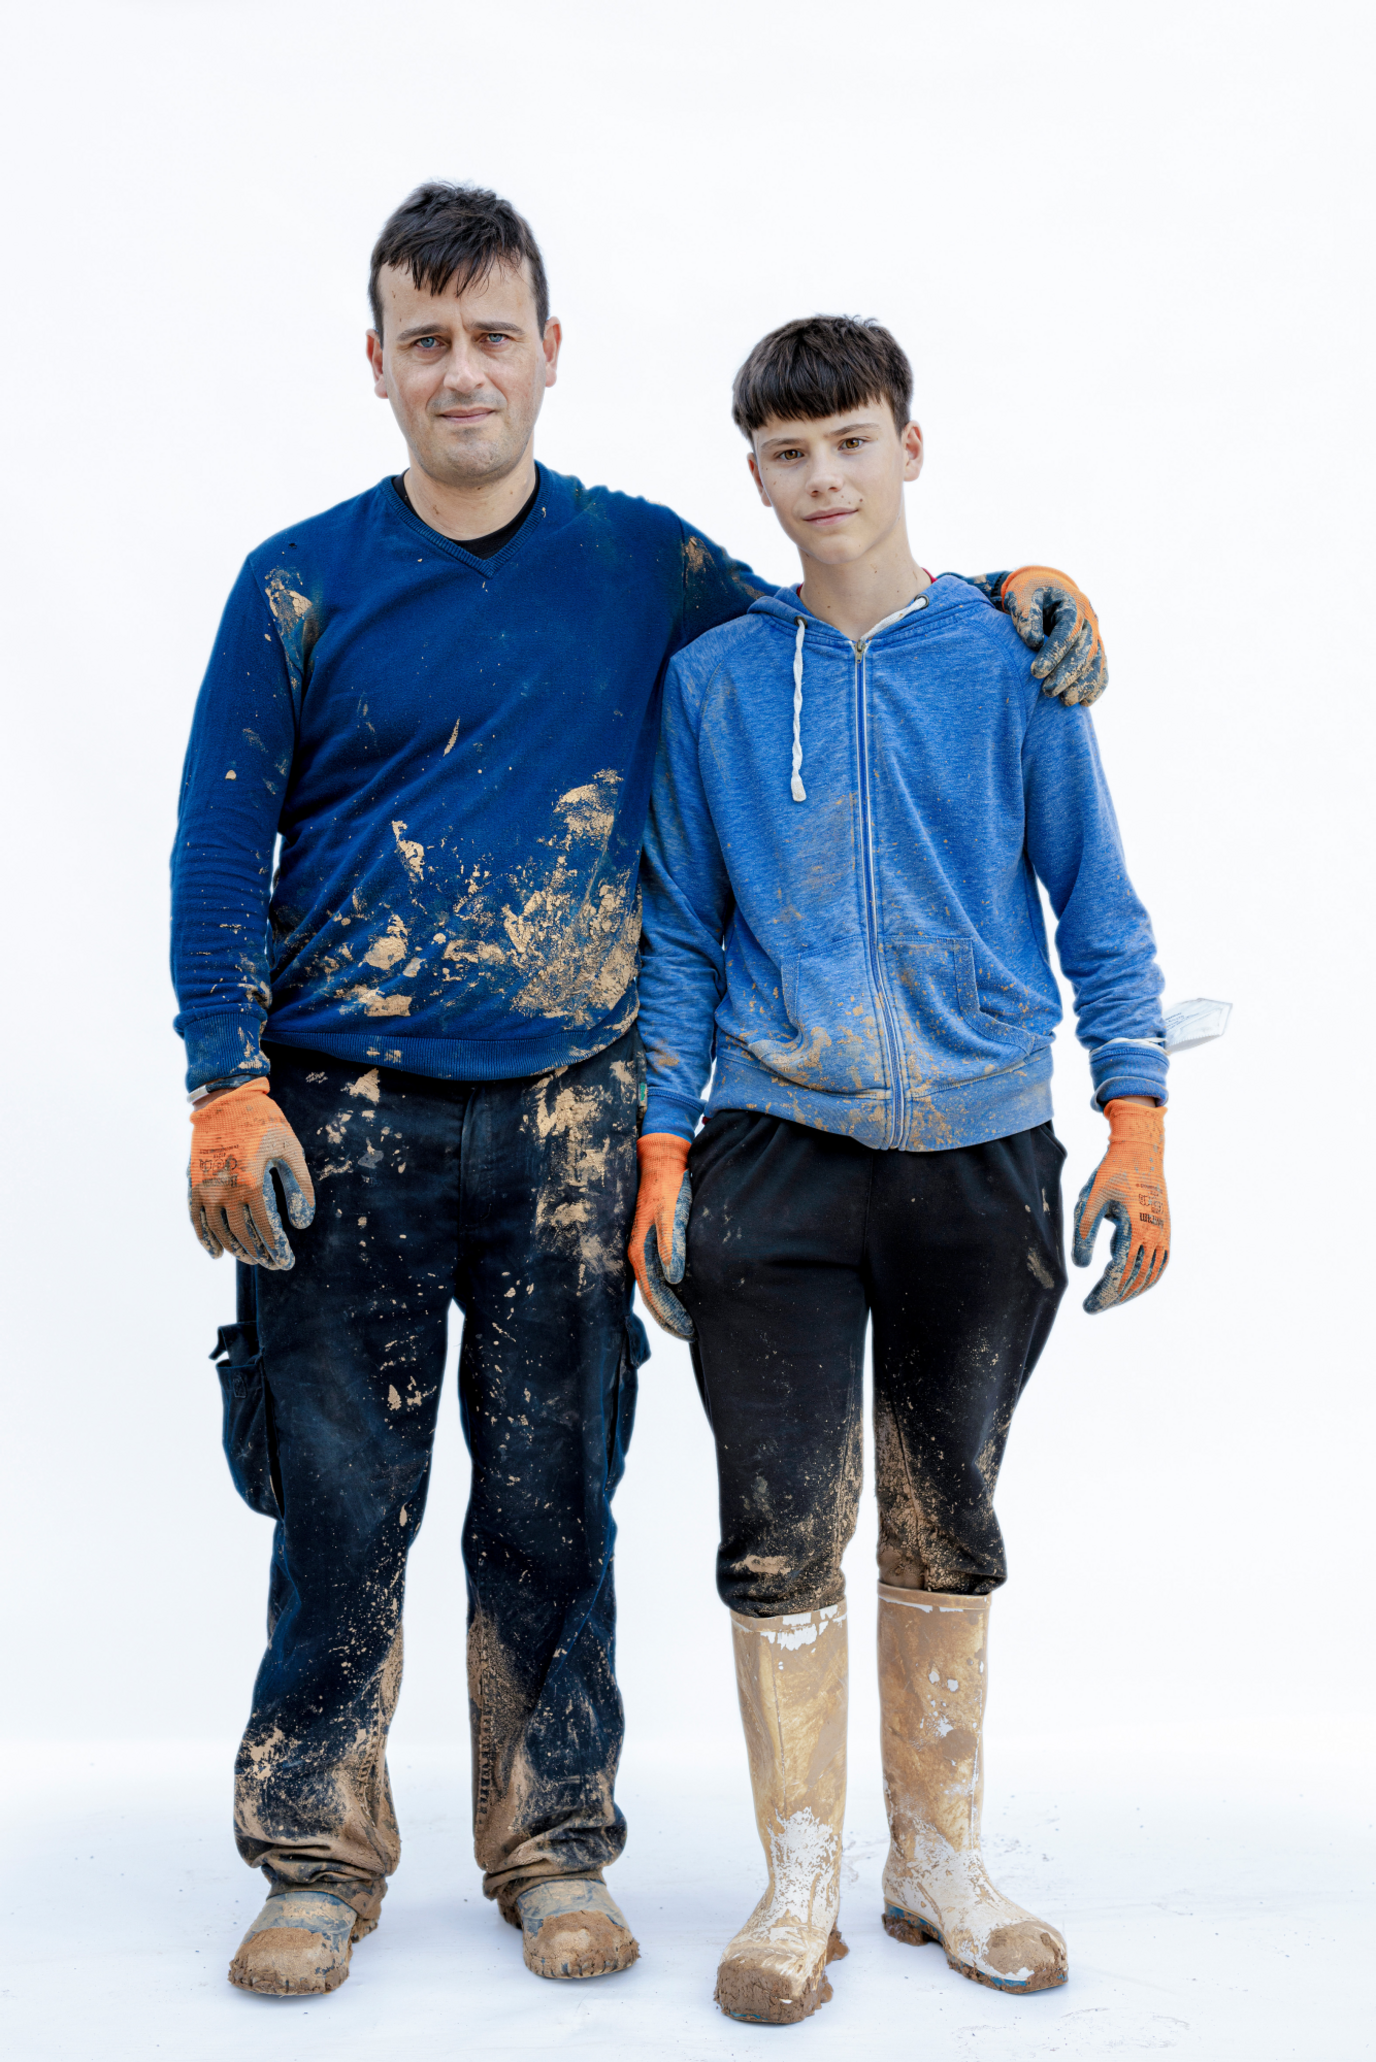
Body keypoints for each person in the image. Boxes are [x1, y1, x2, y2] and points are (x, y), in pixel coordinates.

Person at [173, 180, 1111, 1999]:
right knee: (341, 1496)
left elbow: (838, 612)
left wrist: (1015, 588)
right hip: (340, 1109)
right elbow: (221, 846)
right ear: (377, 363)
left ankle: (552, 1848)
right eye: (425, 338)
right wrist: (225, 1081)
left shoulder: (642, 563)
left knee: (551, 1491)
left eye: (493, 333)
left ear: (548, 353)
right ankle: (312, 1851)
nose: (464, 370)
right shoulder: (297, 581)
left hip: (573, 1120)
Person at [629, 313, 1171, 2025]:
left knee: (951, 1515)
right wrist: (660, 1143)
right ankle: (799, 1880)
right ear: (757, 477)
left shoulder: (1010, 661)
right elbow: (677, 935)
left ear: (910, 447)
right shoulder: (718, 681)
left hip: (982, 1147)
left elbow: (1098, 903)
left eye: (851, 442)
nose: (824, 480)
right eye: (789, 455)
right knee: (777, 1527)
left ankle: (938, 1856)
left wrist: (1138, 1118)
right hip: (772, 1158)